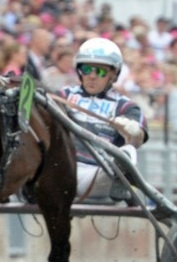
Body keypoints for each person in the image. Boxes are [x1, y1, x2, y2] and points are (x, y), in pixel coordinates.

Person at [58, 37, 148, 203]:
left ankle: (121, 182)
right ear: (79, 71)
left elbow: (139, 138)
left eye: (99, 71)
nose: (92, 76)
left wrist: (132, 129)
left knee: (128, 152)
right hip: (59, 171)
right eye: (86, 69)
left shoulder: (125, 106)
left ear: (113, 74)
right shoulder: (63, 96)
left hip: (95, 176)